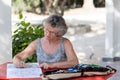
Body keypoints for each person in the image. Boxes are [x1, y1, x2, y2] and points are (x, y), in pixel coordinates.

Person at [13, 14, 79, 69]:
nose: (47, 34)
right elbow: (19, 56)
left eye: (51, 32)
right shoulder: (37, 43)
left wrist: (52, 65)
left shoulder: (65, 43)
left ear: (59, 34)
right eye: (46, 30)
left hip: (60, 76)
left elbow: (74, 62)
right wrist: (17, 61)